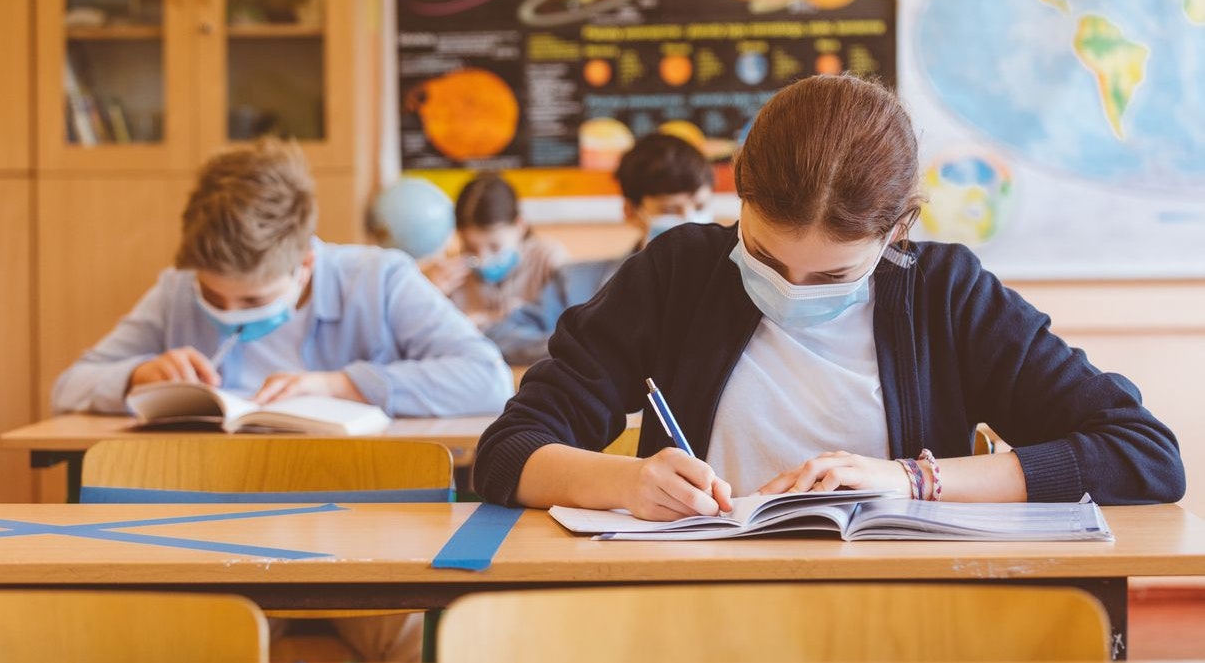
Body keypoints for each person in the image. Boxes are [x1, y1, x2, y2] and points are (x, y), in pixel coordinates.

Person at [473, 74, 1185, 519]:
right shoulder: (677, 272)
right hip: (693, 612)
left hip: (902, 619)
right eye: (763, 256)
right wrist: (625, 482)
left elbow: (1143, 454)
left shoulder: (945, 292)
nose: (788, 289)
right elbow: (508, 451)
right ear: (740, 194)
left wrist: (913, 480)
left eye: (832, 277)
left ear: (898, 230)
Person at [52, 138, 515, 662]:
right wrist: (137, 373)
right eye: (214, 297)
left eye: (252, 300)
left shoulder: (380, 279)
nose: (229, 312)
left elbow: (487, 378)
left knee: (439, 645)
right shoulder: (177, 291)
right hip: (218, 550)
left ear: (307, 262)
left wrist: (342, 383)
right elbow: (70, 384)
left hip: (371, 551)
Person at [484, 133, 714, 364]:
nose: (690, 221)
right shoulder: (574, 282)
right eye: (670, 211)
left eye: (700, 206)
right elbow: (502, 337)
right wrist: (585, 346)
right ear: (631, 212)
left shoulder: (735, 279)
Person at [421, 174, 568, 329]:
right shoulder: (448, 275)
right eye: (470, 247)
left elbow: (571, 323)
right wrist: (428, 295)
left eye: (495, 247)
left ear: (520, 226)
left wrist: (489, 319)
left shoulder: (548, 259)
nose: (483, 260)